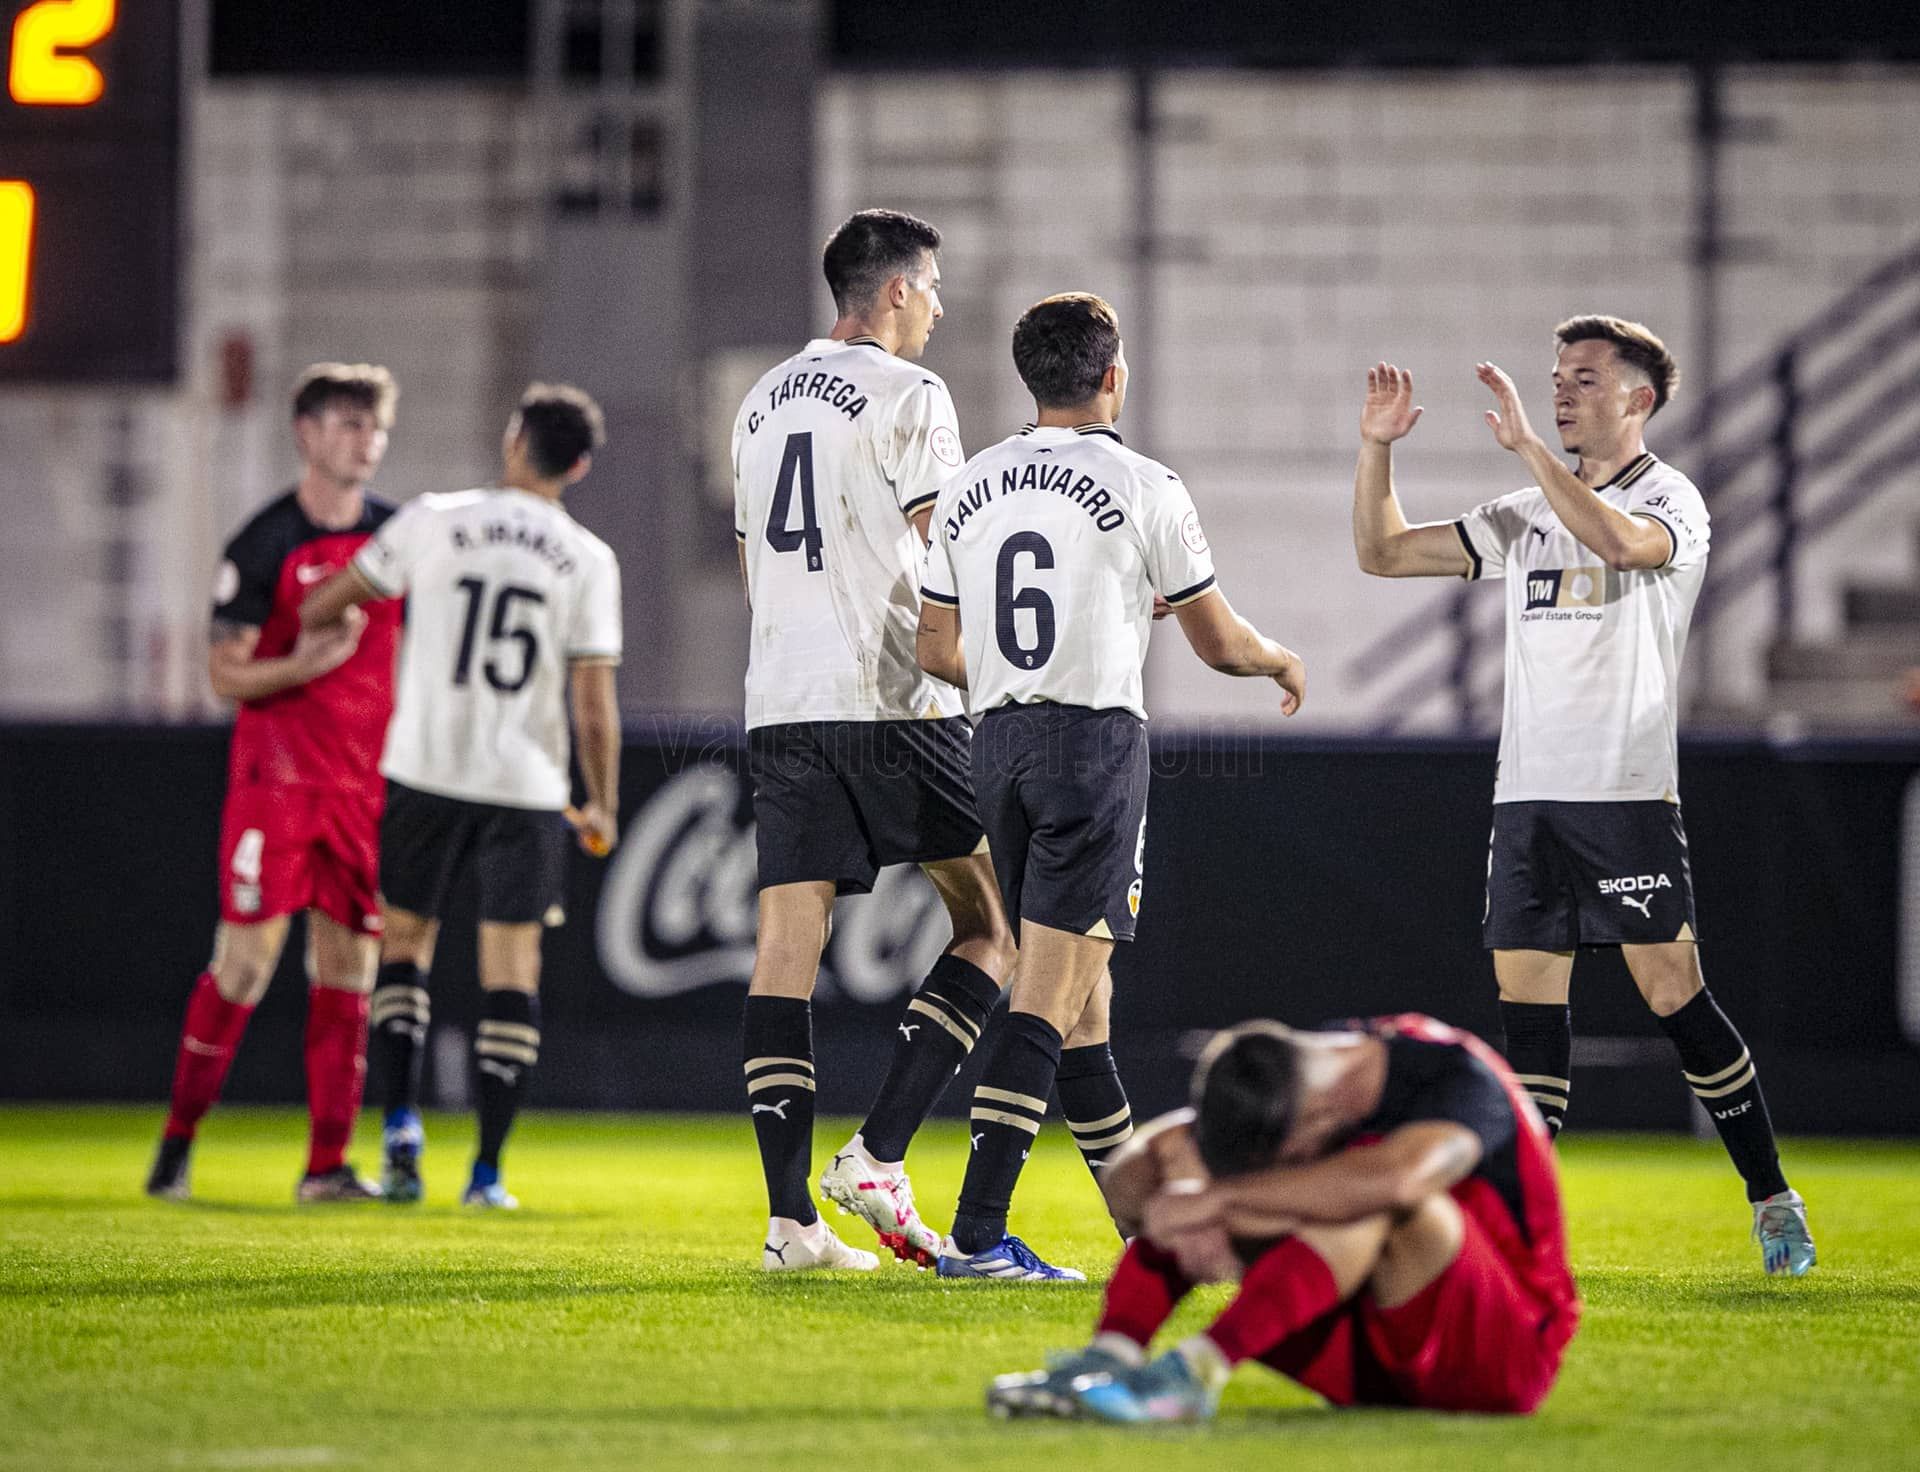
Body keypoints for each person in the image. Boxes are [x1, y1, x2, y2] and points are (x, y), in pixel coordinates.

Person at [1346, 318, 1814, 1275]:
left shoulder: (1671, 499)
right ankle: (1522, 1238)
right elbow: (1384, 553)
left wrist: (1526, 449)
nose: (1562, 393)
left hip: (1626, 793)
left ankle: (1771, 1196)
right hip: (1528, 802)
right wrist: (1377, 450)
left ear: (1638, 400)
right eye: (1558, 378)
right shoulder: (1526, 511)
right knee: (1530, 1027)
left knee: (1675, 998)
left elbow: (1628, 545)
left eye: (1586, 379)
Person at [917, 292, 1306, 1281]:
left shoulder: (970, 485)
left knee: (1085, 1003)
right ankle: (975, 1234)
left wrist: (1012, 682)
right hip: (1091, 746)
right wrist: (1277, 659)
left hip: (995, 743)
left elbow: (935, 646)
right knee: (1046, 999)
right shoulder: (1143, 484)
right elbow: (1217, 642)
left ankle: (1147, 1229)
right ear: (1112, 375)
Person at [731, 208, 1024, 1274]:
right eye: (933, 286)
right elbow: (941, 542)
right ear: (894, 290)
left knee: (784, 948)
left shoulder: (759, 400)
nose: (939, 305)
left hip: (782, 696)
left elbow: (757, 554)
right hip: (890, 692)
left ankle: (788, 1224)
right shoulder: (913, 393)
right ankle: (879, 1153)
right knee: (994, 927)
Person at [301, 383, 621, 1208]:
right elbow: (592, 707)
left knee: (403, 947)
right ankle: (486, 1174)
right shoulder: (587, 558)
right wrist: (602, 805)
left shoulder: (433, 517)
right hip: (526, 786)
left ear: (514, 440)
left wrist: (345, 627)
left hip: (425, 766)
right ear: (578, 464)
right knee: (511, 970)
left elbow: (326, 602)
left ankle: (402, 1123)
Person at [988, 1014, 1579, 1422]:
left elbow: (1397, 1180)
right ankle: (1109, 1363)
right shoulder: (1306, 1074)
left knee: (1360, 1191)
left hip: (1497, 1360)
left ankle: (1190, 1380)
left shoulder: (1459, 1080)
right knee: (1211, 1170)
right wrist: (1190, 1188)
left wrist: (1222, 1201)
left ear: (1317, 1121)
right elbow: (1133, 1180)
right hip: (1368, 1349)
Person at [146, 363, 401, 1204]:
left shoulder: (397, 542)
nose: (365, 442)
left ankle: (325, 1167)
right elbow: (224, 675)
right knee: (247, 964)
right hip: (278, 785)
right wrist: (302, 663)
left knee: (349, 972)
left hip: (363, 791)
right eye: (349, 425)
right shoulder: (263, 543)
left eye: (375, 428)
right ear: (307, 433)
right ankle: (178, 1142)